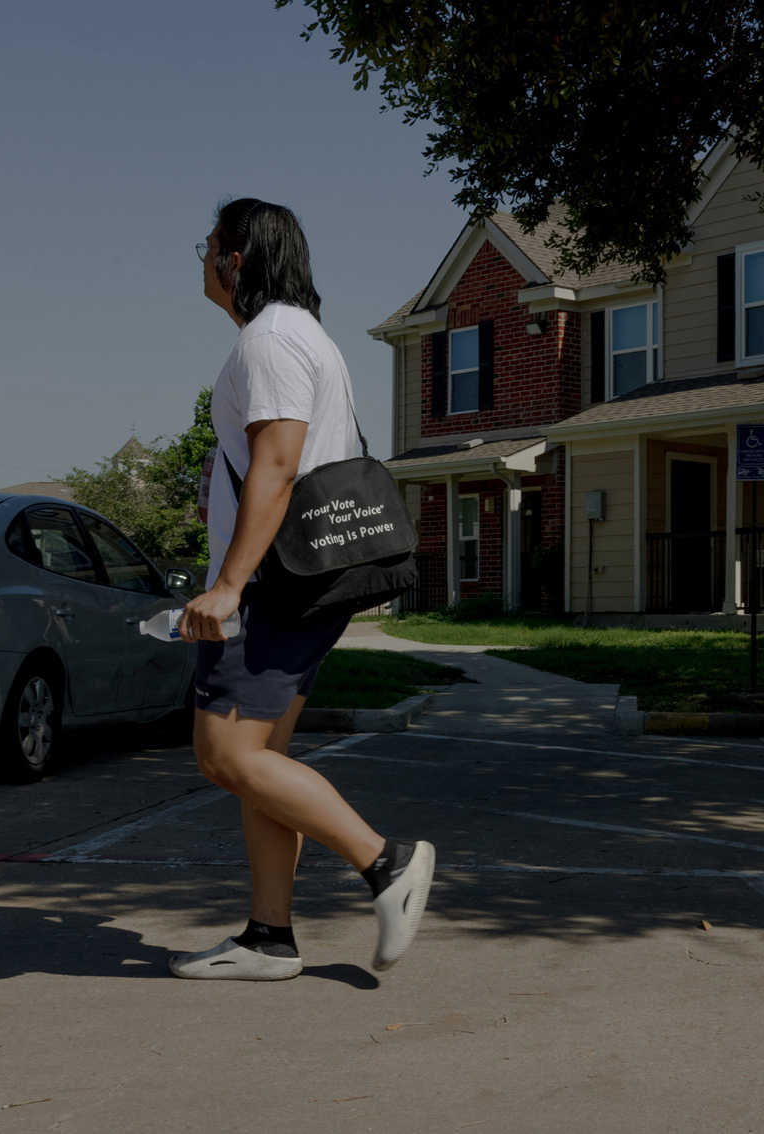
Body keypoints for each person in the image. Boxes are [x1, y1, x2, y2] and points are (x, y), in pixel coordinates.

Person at [167, 197, 435, 981]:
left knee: (224, 753)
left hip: (271, 589)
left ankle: (386, 864)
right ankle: (268, 938)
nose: (201, 260)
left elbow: (279, 467)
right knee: (263, 761)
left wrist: (227, 587)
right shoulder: (296, 335)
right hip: (294, 583)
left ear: (236, 259)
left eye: (206, 246)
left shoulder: (272, 340)